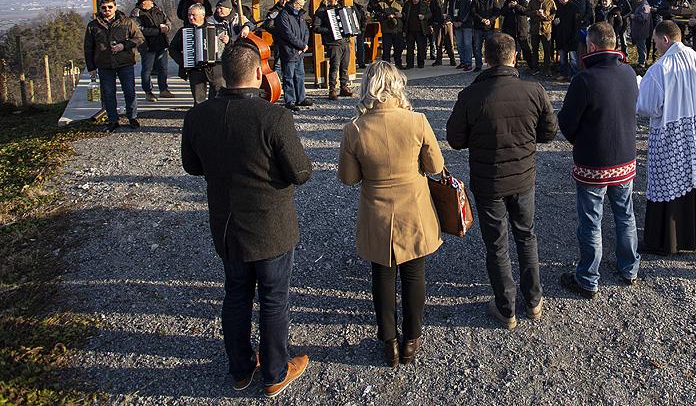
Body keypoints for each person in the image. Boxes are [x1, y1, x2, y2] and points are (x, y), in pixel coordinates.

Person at [181, 43, 312, 397]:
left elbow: (192, 166)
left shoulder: (197, 116)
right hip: (272, 227)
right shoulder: (274, 117)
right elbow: (300, 172)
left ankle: (240, 369)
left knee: (236, 294)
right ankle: (274, 372)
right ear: (257, 73)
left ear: (224, 75)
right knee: (273, 298)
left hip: (227, 225)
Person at [446, 33, 558, 329]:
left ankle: (506, 307)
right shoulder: (534, 91)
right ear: (514, 57)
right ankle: (533, 300)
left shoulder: (471, 96)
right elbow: (549, 132)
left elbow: (455, 139)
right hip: (523, 177)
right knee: (526, 235)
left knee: (497, 244)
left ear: (486, 58)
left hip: (489, 181)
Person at [338, 61, 444, 366]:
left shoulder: (354, 128)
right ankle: (411, 339)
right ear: (398, 85)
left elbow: (348, 178)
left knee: (382, 275)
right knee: (414, 273)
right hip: (414, 207)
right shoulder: (417, 121)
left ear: (367, 87)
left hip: (377, 210)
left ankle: (389, 342)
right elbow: (436, 167)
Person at [557, 23, 640, 296]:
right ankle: (629, 268)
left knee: (591, 221)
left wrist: (580, 141)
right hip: (625, 158)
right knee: (625, 215)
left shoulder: (584, 79)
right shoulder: (629, 72)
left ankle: (588, 278)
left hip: (593, 161)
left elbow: (567, 123)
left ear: (591, 47)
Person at [637, 20, 696, 254]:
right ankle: (694, 235)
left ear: (665, 39)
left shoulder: (661, 68)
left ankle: (665, 240)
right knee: (692, 178)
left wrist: (639, 87)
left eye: (656, 41)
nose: (655, 46)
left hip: (671, 134)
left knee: (668, 181)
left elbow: (647, 107)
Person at [85, 0, 144, 130]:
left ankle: (132, 117)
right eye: (104, 8)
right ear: (100, 9)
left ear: (115, 7)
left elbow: (139, 38)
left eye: (110, 7)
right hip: (104, 64)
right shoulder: (93, 25)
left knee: (129, 91)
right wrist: (91, 67)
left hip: (125, 62)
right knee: (108, 93)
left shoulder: (127, 22)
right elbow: (88, 48)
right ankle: (113, 120)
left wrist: (124, 45)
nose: (107, 10)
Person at [169, 3, 224, 104]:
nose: (190, 17)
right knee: (198, 101)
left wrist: (227, 41)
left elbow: (226, 49)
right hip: (195, 70)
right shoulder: (184, 31)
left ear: (202, 15)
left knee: (218, 98)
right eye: (189, 15)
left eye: (193, 15)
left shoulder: (216, 29)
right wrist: (184, 60)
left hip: (215, 69)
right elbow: (172, 49)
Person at [312, 0, 353, 100]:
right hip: (332, 42)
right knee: (334, 66)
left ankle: (344, 87)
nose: (333, 0)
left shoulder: (341, 8)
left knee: (345, 66)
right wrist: (331, 30)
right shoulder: (321, 11)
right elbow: (315, 28)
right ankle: (332, 89)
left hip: (345, 41)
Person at [132, 0, 173, 102]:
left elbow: (168, 21)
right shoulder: (136, 13)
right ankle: (148, 92)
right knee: (147, 70)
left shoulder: (159, 10)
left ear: (151, 1)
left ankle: (163, 89)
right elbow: (138, 29)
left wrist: (167, 28)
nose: (143, 3)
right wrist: (158, 30)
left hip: (161, 43)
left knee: (163, 68)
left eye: (145, 1)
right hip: (146, 46)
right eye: (141, 1)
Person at [273, 0, 311, 112]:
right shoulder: (283, 15)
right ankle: (290, 101)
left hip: (299, 51)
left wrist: (304, 45)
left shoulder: (300, 14)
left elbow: (306, 31)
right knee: (288, 77)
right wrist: (301, 45)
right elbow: (287, 34)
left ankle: (301, 98)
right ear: (294, 3)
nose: (301, 7)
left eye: (302, 5)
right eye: (300, 5)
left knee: (300, 75)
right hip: (288, 50)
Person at [527, 0, 556, 74]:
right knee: (535, 50)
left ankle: (547, 69)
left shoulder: (550, 2)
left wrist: (545, 16)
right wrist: (535, 13)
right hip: (535, 29)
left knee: (547, 50)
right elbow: (527, 13)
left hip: (546, 30)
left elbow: (554, 14)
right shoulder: (532, 2)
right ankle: (535, 68)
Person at [471, 0, 500, 72]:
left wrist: (490, 20)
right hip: (478, 28)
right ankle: (478, 65)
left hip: (489, 28)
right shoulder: (475, 0)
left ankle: (490, 65)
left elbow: (497, 12)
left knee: (490, 48)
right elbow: (473, 12)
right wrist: (481, 20)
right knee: (477, 48)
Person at [553, 0, 581, 81]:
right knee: (562, 58)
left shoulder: (574, 7)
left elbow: (577, 24)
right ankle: (564, 74)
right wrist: (556, 22)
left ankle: (574, 76)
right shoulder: (560, 7)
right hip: (561, 36)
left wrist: (574, 36)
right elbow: (556, 19)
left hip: (571, 36)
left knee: (573, 59)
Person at [500, 0, 531, 65]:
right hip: (510, 29)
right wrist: (509, 7)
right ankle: (513, 65)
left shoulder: (523, 1)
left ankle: (532, 65)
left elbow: (526, 11)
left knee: (525, 48)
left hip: (521, 29)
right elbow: (502, 12)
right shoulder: (507, 2)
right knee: (511, 49)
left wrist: (516, 6)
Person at [401, 0, 431, 69]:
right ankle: (409, 64)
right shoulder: (407, 4)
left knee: (421, 48)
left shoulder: (424, 4)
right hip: (410, 30)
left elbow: (429, 14)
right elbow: (403, 15)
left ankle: (420, 63)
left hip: (421, 30)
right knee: (410, 48)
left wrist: (424, 17)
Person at [375, 0, 404, 67]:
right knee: (386, 50)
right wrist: (386, 16)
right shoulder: (380, 4)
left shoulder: (400, 4)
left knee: (398, 49)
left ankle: (398, 64)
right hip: (386, 31)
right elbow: (377, 15)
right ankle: (386, 66)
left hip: (398, 30)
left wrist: (401, 15)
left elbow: (405, 15)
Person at [429, 0, 455, 67]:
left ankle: (452, 59)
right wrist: (431, 24)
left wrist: (450, 19)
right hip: (438, 24)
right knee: (438, 43)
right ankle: (438, 60)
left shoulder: (450, 0)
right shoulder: (433, 1)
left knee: (450, 42)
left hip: (448, 24)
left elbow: (453, 10)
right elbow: (431, 13)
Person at [630, 0, 653, 69]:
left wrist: (634, 16)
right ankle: (641, 61)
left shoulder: (646, 5)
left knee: (641, 47)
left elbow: (644, 18)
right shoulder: (639, 5)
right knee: (640, 47)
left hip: (642, 30)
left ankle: (642, 63)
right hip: (638, 30)